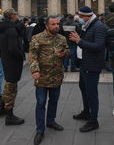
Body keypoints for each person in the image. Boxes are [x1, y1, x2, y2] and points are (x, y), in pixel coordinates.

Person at [29, 16, 70, 145]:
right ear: (47, 26)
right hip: (42, 77)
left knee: (54, 100)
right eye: (53, 24)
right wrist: (35, 70)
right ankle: (40, 130)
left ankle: (51, 121)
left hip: (56, 76)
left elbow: (68, 50)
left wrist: (64, 54)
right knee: (41, 103)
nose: (56, 26)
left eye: (58, 24)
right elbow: (32, 55)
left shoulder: (62, 38)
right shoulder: (37, 38)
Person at [69, 6, 106, 132]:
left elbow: (99, 46)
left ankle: (93, 120)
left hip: (93, 65)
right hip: (85, 63)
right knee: (83, 88)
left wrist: (79, 41)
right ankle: (86, 112)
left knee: (91, 93)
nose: (79, 18)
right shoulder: (88, 25)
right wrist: (77, 39)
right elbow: (85, 41)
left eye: (80, 16)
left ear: (87, 16)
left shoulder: (99, 27)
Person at [0, 9, 25, 125]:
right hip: (12, 62)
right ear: (12, 16)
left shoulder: (3, 28)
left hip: (6, 60)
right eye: (15, 14)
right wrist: (21, 56)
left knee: (9, 84)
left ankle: (2, 109)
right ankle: (10, 116)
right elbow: (13, 48)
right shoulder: (11, 30)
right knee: (11, 88)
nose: (17, 16)